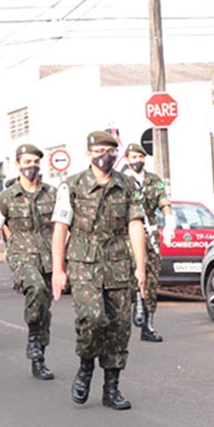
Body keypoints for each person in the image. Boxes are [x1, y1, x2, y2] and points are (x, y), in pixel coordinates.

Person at [51, 131, 147, 410]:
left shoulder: (127, 185)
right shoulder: (72, 186)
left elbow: (135, 225)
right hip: (84, 264)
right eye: (99, 151)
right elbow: (61, 228)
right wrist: (58, 269)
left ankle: (111, 388)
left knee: (119, 327)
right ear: (89, 154)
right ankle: (85, 366)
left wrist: (140, 266)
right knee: (91, 319)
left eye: (110, 151)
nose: (104, 157)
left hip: (118, 264)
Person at [0, 143, 56, 379]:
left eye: (35, 162)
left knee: (44, 309)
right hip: (22, 256)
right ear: (18, 164)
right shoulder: (6, 197)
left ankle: (39, 356)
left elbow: (62, 228)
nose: (31, 166)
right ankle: (33, 336)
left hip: (49, 258)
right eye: (27, 161)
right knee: (36, 289)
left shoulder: (52, 193)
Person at [123, 142, 176, 342]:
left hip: (150, 234)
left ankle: (148, 324)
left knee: (151, 277)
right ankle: (131, 312)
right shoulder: (122, 181)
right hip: (128, 234)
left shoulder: (154, 180)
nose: (137, 161)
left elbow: (164, 201)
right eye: (134, 157)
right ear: (127, 159)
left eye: (140, 157)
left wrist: (169, 221)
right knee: (131, 275)